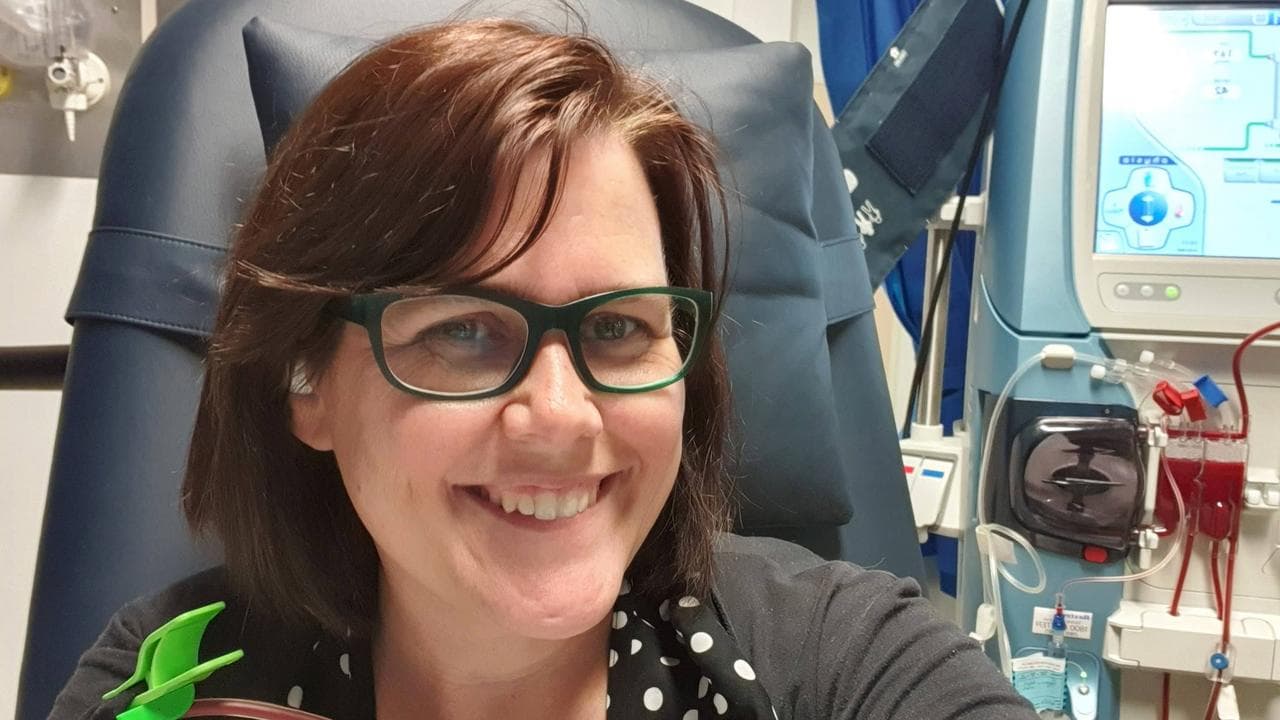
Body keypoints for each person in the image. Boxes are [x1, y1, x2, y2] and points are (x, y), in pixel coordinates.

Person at [50, 18, 1037, 720]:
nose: (561, 416)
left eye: (616, 328)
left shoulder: (842, 661)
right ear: (308, 382)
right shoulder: (175, 680)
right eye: (461, 332)